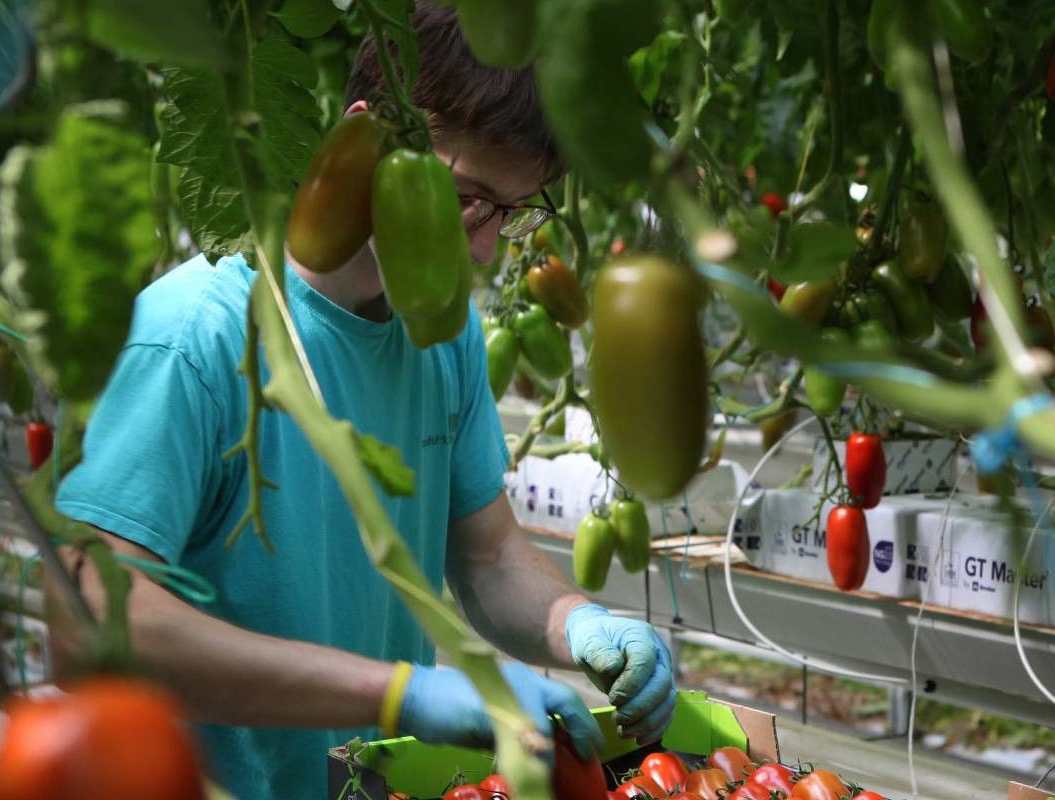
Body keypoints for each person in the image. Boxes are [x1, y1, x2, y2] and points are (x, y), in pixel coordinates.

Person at [48, 4, 675, 798]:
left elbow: (486, 558)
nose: (483, 248)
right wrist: (394, 692)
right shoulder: (192, 338)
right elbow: (86, 623)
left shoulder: (444, 339)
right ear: (366, 142)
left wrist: (580, 625)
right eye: (474, 199)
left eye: (511, 214)